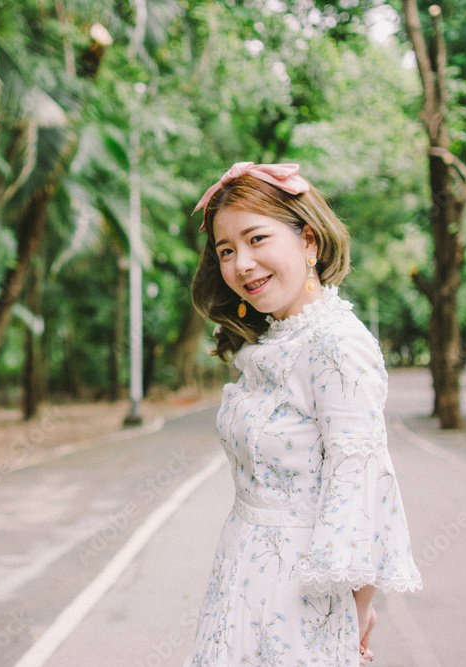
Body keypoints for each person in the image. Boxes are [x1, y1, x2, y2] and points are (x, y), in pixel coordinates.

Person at [182, 162, 422, 666]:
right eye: (227, 250)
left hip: (301, 605)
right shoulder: (276, 339)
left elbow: (362, 489)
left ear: (309, 241)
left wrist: (356, 616)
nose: (241, 263)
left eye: (257, 239)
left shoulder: (336, 344)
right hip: (241, 577)